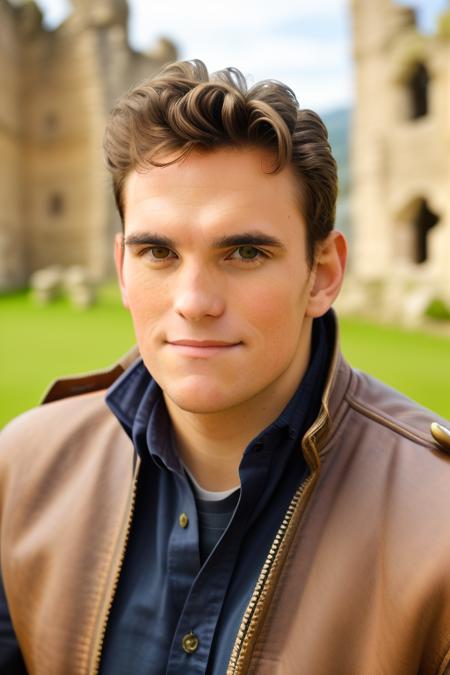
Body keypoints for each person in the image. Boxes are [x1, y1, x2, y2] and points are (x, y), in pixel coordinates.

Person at [0, 59, 449, 675]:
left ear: (322, 275)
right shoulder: (23, 469)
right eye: (158, 251)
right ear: (124, 270)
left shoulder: (439, 518)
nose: (194, 303)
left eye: (244, 252)